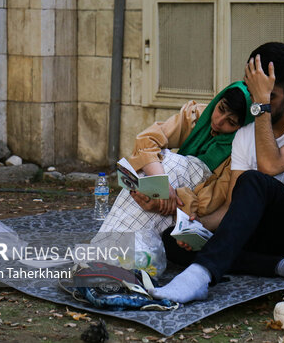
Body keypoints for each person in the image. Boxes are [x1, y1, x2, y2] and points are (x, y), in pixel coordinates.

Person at [151, 42, 284, 303]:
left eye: (269, 96)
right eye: (253, 93)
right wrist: (193, 228)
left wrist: (261, 106)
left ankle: (200, 277)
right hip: (271, 234)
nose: (257, 102)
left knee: (255, 180)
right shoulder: (244, 134)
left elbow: (270, 165)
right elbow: (233, 208)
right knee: (173, 242)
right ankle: (281, 265)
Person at [91, 81, 254, 246]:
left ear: (242, 126)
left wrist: (168, 201)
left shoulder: (240, 152)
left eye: (231, 123)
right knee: (154, 170)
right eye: (221, 109)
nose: (219, 121)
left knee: (172, 165)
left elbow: (211, 203)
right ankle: (112, 250)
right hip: (169, 187)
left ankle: (108, 251)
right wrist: (163, 184)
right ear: (218, 100)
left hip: (187, 206)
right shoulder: (198, 116)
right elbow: (148, 140)